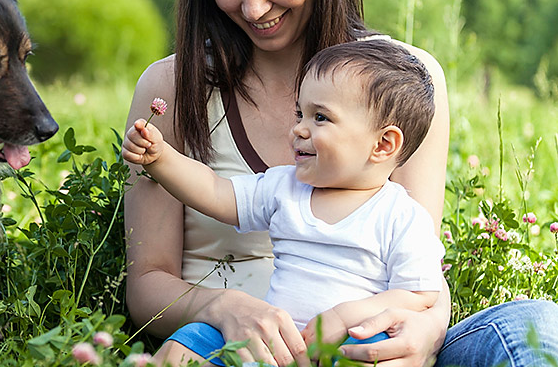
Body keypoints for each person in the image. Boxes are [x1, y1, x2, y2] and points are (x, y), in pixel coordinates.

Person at [122, 0, 558, 366]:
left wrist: (423, 333)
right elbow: (147, 282)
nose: (254, 7)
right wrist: (222, 308)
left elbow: (419, 277)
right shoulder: (171, 86)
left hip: (359, 347)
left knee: (533, 325)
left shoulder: (402, 83)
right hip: (236, 348)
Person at [123, 40, 445, 359]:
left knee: (372, 351)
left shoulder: (402, 216)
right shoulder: (286, 188)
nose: (298, 130)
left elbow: (419, 293)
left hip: (346, 343)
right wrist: (162, 158)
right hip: (273, 345)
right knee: (189, 341)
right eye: (299, 113)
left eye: (320, 117)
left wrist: (349, 316)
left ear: (383, 144)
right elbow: (216, 192)